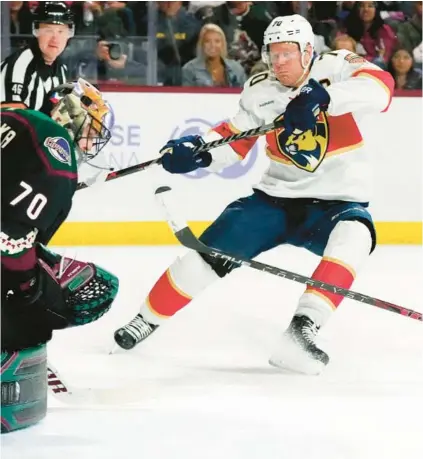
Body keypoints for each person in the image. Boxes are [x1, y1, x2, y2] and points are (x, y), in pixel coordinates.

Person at [114, 14, 394, 375]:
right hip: (274, 200)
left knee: (356, 236)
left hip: (338, 202)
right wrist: (198, 152)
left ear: (308, 50)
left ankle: (301, 330)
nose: (278, 62)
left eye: (287, 54)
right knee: (208, 253)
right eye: (272, 54)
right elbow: (234, 140)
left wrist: (324, 97)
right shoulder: (261, 88)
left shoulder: (336, 66)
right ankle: (145, 319)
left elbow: (381, 87)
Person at [1, 78, 119, 432]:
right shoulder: (54, 148)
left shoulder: (13, 118)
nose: (87, 142)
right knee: (93, 288)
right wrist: (25, 288)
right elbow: (10, 236)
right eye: (89, 129)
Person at [1, 1, 72, 113]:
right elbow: (8, 117)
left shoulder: (61, 69)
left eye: (61, 31)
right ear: (36, 31)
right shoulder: (18, 66)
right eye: (48, 30)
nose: (55, 38)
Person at [182, 23, 246, 87]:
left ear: (222, 44)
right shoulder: (190, 69)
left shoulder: (236, 68)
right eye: (207, 41)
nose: (212, 45)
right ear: (202, 44)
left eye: (217, 41)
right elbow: (186, 96)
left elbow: (246, 94)